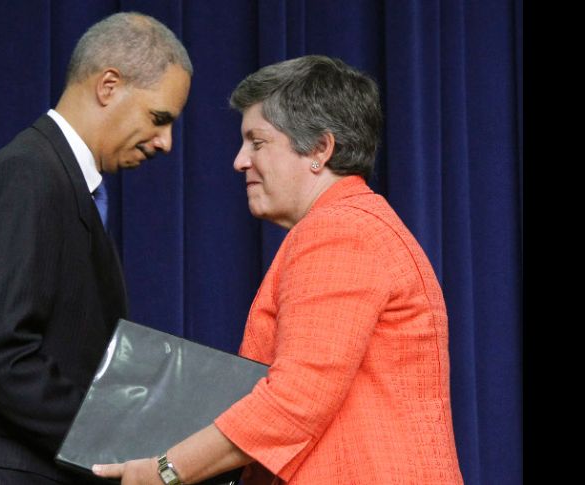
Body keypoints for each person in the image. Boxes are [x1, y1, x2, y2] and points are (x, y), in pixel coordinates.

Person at [93, 55, 463, 484]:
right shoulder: (353, 225)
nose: (239, 161)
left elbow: (296, 399)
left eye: (258, 142)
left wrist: (166, 471)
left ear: (320, 150)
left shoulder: (340, 232)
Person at [0, 12, 192, 484]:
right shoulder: (29, 177)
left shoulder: (57, 181)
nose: (165, 142)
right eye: (158, 118)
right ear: (108, 86)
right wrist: (117, 436)